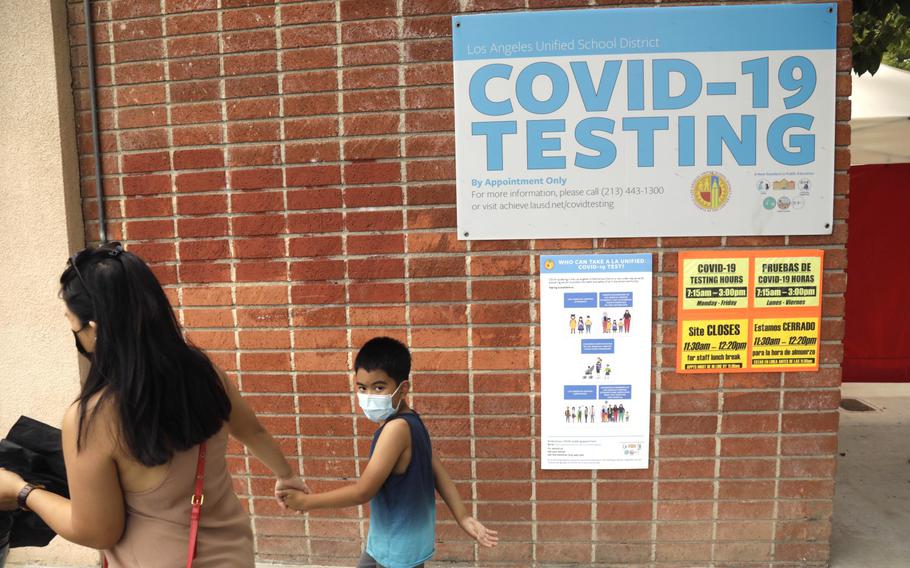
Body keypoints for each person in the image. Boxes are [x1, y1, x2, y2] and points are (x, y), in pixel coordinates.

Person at [0, 243, 308, 567]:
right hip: (233, 556)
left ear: (94, 329)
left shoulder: (92, 418)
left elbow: (97, 532)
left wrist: (22, 491)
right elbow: (252, 430)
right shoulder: (203, 373)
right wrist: (286, 475)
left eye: (71, 321)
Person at [278, 337, 497, 568]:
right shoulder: (412, 421)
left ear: (403, 389)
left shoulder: (396, 430)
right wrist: (463, 517)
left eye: (379, 387)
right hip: (388, 543)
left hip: (396, 550)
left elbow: (363, 491)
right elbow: (438, 472)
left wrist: (306, 502)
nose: (369, 396)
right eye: (362, 387)